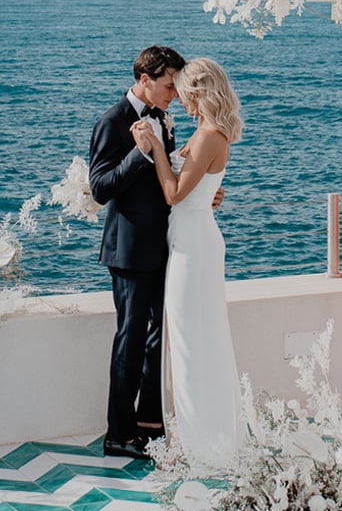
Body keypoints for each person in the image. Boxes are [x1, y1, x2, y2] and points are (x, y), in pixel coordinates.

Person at [132, 57, 245, 469]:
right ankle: (197, 434)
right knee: (190, 340)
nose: (178, 98)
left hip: (193, 245)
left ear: (199, 92)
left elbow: (175, 194)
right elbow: (197, 189)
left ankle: (197, 443)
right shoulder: (207, 133)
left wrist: (157, 149)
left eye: (183, 91)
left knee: (190, 342)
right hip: (190, 237)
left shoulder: (209, 136)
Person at [89, 45, 185, 460]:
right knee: (129, 341)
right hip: (128, 250)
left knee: (159, 336)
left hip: (164, 245)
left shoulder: (163, 119)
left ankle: (149, 421)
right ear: (145, 79)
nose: (175, 94)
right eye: (169, 85)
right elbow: (100, 188)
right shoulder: (112, 121)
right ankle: (118, 433)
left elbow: (163, 181)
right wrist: (140, 153)